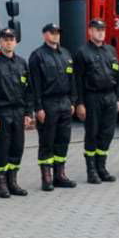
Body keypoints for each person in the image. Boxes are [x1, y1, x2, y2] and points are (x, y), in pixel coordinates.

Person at [0, 27, 34, 198]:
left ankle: (13, 182)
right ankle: (1, 184)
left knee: (17, 148)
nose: (9, 42)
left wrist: (28, 113)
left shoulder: (22, 63)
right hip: (2, 113)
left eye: (11, 39)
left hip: (19, 112)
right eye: (5, 39)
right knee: (1, 149)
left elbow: (28, 91)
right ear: (0, 42)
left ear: (16, 42)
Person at [29, 23, 77, 191]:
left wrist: (72, 101)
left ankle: (60, 175)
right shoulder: (37, 56)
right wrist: (38, 108)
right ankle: (46, 177)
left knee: (63, 140)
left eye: (57, 32)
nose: (56, 35)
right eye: (52, 32)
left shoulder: (66, 54)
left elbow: (72, 79)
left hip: (64, 102)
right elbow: (34, 85)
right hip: (48, 104)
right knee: (47, 141)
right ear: (44, 35)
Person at [74, 18, 119, 184]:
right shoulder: (82, 52)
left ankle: (102, 168)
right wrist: (80, 103)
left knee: (107, 134)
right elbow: (78, 80)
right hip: (92, 97)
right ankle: (91, 170)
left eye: (102, 30)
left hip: (110, 97)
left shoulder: (111, 51)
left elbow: (117, 76)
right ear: (90, 32)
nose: (101, 33)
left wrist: (118, 98)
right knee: (92, 134)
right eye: (97, 30)